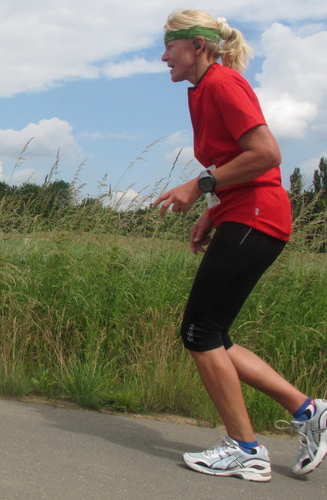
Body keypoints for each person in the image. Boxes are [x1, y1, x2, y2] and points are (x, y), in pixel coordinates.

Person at [153, 8, 326, 482]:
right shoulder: (202, 90)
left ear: (198, 46)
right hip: (244, 214)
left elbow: (267, 154)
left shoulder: (223, 84)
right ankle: (309, 411)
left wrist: (199, 186)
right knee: (214, 334)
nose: (164, 57)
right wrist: (214, 210)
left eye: (169, 46)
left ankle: (246, 450)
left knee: (199, 333)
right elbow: (238, 162)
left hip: (256, 216)